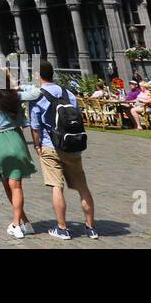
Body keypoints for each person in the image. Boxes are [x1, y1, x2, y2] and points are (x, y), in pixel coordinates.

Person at [30, 62, 98, 241]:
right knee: (83, 188)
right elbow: (77, 118)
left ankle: (62, 228)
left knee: (56, 187)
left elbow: (35, 127)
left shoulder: (37, 96)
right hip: (72, 145)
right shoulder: (68, 93)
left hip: (50, 145)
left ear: (38, 75)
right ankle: (91, 228)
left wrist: (37, 145)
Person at [0, 75, 36, 239]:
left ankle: (16, 225)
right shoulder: (13, 96)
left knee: (8, 185)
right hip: (16, 140)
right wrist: (17, 87)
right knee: (16, 185)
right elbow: (35, 92)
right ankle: (25, 223)